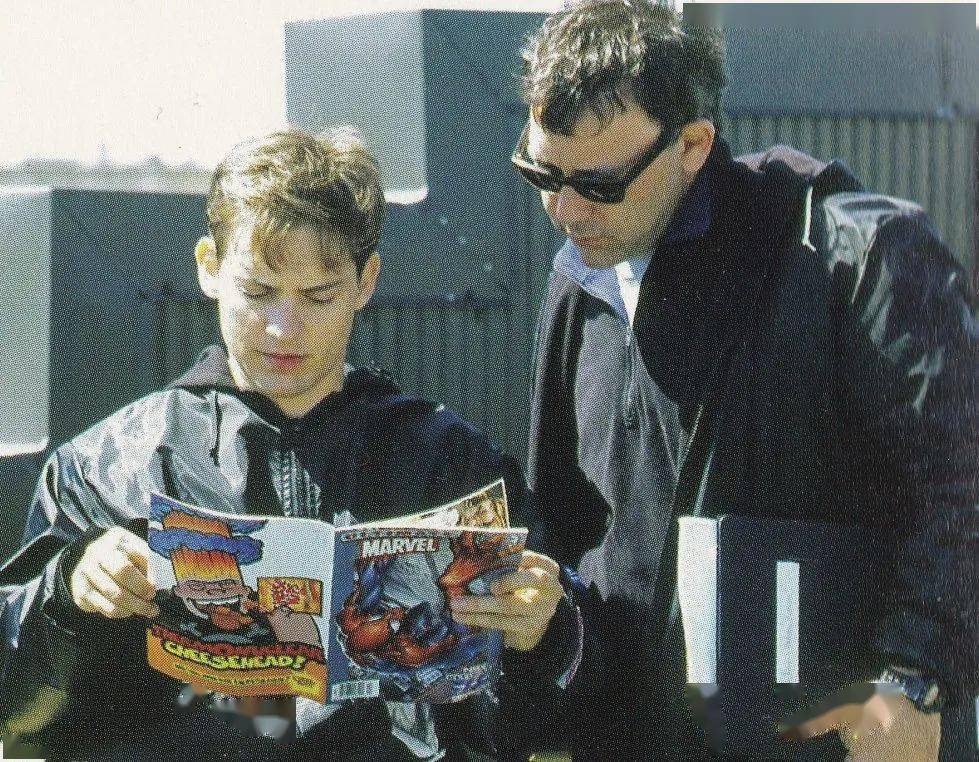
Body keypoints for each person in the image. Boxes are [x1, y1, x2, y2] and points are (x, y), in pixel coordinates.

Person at [0, 128, 571, 761]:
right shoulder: (106, 469)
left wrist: (547, 632)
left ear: (366, 282)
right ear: (210, 268)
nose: (284, 328)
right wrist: (68, 590)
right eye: (259, 292)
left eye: (319, 296)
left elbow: (546, 721)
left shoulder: (454, 467)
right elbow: (15, 706)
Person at [512, 1, 979, 759]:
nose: (563, 210)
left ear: (693, 145)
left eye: (597, 184)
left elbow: (958, 488)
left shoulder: (857, 255)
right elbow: (561, 523)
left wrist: (913, 680)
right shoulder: (578, 283)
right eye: (540, 173)